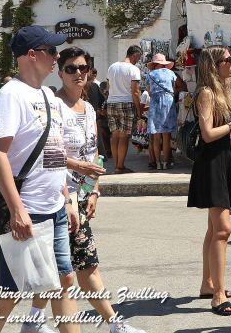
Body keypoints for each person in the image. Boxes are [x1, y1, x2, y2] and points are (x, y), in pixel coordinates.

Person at [25, 48, 142, 333]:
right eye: (71, 68)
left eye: (84, 67)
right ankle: (114, 324)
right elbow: (47, 155)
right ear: (60, 72)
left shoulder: (89, 109)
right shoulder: (53, 106)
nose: (79, 73)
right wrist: (69, 195)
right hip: (58, 197)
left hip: (80, 196)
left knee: (73, 266)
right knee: (73, 269)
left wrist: (94, 191)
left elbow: (95, 156)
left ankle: (34, 321)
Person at [0, 25, 81, 333]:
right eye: (52, 51)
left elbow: (52, 150)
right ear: (32, 55)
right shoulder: (10, 95)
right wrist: (17, 210)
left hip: (54, 208)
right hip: (27, 210)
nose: (57, 57)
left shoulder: (48, 95)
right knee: (11, 293)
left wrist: (67, 197)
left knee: (64, 280)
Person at [188, 46, 231, 316]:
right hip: (210, 164)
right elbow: (207, 134)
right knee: (223, 230)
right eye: (227, 60)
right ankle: (217, 295)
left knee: (213, 228)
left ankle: (208, 284)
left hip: (220, 161)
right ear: (214, 65)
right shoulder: (206, 93)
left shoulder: (219, 93)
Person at [105, 45, 143, 174]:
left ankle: (117, 165)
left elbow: (108, 87)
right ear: (135, 55)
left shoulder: (112, 67)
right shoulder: (133, 69)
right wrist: (139, 111)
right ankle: (120, 166)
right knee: (124, 137)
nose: (138, 60)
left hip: (111, 103)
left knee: (114, 135)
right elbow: (135, 92)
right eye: (138, 57)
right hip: (126, 103)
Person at [145, 54, 177, 170]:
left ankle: (158, 163)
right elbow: (173, 88)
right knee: (166, 136)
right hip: (168, 102)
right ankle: (166, 162)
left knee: (156, 136)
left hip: (155, 103)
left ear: (154, 64)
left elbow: (148, 91)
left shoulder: (150, 74)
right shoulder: (171, 73)